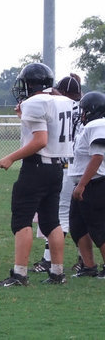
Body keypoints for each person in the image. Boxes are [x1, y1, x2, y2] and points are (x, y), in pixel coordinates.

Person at [0, 62, 74, 286]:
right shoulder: (65, 101)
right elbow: (50, 131)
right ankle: (57, 273)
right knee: (51, 222)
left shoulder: (35, 102)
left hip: (36, 167)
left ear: (31, 83)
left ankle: (20, 274)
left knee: (21, 219)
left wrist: (11, 157)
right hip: (58, 168)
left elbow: (40, 140)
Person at [31, 73, 83, 273]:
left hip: (65, 163)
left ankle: (48, 260)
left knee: (58, 213)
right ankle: (84, 260)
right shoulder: (83, 106)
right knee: (81, 214)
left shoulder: (55, 105)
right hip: (85, 166)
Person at [67, 91, 105, 278]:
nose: (81, 114)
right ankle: (89, 266)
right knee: (78, 226)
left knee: (99, 228)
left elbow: (97, 157)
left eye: (84, 110)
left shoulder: (99, 124)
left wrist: (82, 185)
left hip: (94, 184)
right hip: (84, 183)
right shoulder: (91, 125)